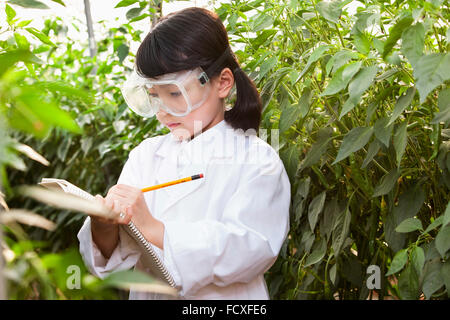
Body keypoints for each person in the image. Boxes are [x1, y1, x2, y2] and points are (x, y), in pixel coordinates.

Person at [77, 7, 291, 300]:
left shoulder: (257, 160)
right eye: (155, 95)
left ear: (223, 83)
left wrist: (155, 229)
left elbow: (251, 248)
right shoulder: (146, 156)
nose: (163, 110)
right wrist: (104, 227)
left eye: (175, 93)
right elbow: (116, 259)